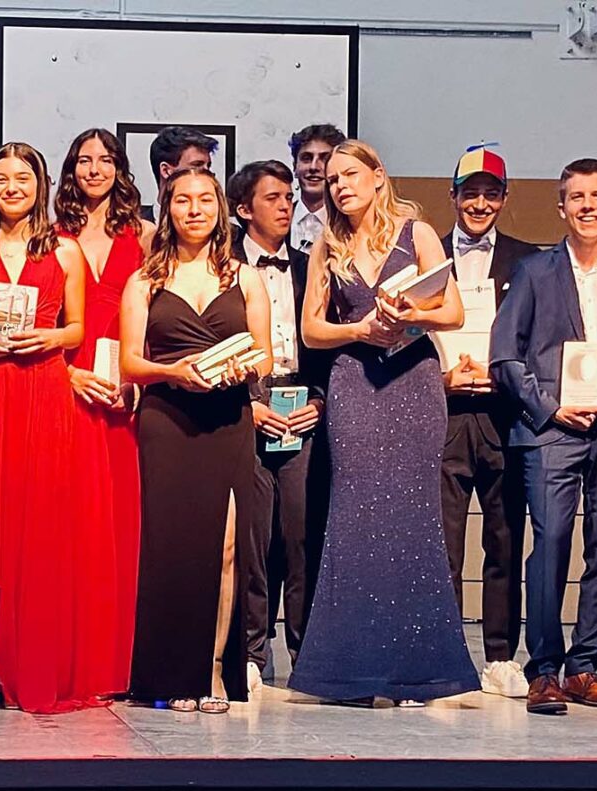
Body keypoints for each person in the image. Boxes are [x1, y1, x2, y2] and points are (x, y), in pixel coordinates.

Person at [290, 140, 477, 707]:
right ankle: (349, 670)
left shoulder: (416, 233)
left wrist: (411, 314)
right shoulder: (327, 246)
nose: (341, 185)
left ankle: (417, 671)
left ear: (377, 177)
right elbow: (311, 330)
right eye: (333, 178)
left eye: (351, 174)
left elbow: (453, 311)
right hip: (355, 384)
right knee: (354, 519)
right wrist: (360, 330)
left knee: (413, 520)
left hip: (414, 383)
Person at [0, 141, 120, 713]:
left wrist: (47, 338)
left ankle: (32, 660)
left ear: (40, 185)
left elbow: (77, 330)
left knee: (38, 525)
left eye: (22, 178)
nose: (11, 188)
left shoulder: (65, 250)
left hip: (44, 390)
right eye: (1, 178)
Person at [491, 158, 597, 716]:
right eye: (576, 197)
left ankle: (585, 664)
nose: (587, 206)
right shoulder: (534, 272)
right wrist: (550, 408)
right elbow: (505, 355)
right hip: (552, 432)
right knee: (552, 544)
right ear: (561, 207)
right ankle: (543, 669)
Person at [121, 167, 270, 714]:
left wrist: (241, 369)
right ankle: (172, 673)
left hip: (228, 419)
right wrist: (175, 372)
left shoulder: (246, 278)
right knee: (172, 548)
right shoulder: (145, 281)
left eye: (205, 199)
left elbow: (265, 357)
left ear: (220, 208)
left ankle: (214, 669)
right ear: (168, 210)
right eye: (182, 200)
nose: (194, 209)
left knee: (228, 546)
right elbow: (130, 362)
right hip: (168, 421)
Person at [436, 145, 539, 699]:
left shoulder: (530, 261)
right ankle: (448, 656)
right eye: (470, 192)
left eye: (491, 193)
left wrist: (504, 379)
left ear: (504, 198)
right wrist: (441, 378)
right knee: (443, 544)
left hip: (504, 416)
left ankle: (500, 655)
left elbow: (539, 342)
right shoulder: (426, 256)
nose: (480, 203)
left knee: (504, 538)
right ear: (452, 195)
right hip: (444, 413)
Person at [53, 127, 152, 691]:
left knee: (121, 524)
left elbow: (162, 322)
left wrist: (138, 386)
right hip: (64, 386)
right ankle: (71, 657)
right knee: (68, 524)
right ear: (71, 169)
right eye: (84, 160)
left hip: (124, 392)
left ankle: (118, 661)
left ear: (120, 167)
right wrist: (64, 375)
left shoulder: (147, 235)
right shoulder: (51, 235)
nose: (94, 169)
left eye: (105, 159)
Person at [225, 159, 329, 690]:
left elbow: (331, 346)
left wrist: (322, 402)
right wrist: (248, 404)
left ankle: (305, 654)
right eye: (273, 198)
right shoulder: (225, 268)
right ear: (244, 209)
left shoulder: (312, 266)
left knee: (301, 535)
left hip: (301, 402)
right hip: (248, 404)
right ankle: (250, 652)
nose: (286, 206)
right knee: (252, 536)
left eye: (289, 196)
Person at [288, 124, 346, 255]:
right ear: (295, 167)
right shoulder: (276, 221)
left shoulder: (351, 225)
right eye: (306, 158)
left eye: (324, 159)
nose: (314, 167)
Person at [142, 126, 216, 221]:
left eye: (208, 166)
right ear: (166, 171)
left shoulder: (227, 229)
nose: (207, 174)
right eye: (196, 166)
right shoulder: (135, 227)